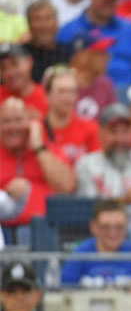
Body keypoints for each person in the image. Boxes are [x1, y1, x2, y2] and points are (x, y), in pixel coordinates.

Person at [0, 97, 75, 228]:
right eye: (6, 121)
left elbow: (67, 187)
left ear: (31, 123)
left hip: (45, 229)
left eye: (18, 120)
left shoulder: (48, 150)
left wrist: (38, 147)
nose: (13, 127)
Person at [60, 199, 131, 288]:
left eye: (119, 227)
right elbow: (65, 291)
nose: (113, 233)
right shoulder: (81, 254)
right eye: (105, 227)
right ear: (93, 226)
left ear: (127, 226)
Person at [40, 66, 100, 165]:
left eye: (72, 91)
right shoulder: (36, 129)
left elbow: (96, 168)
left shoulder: (90, 128)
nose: (68, 98)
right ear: (47, 95)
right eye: (62, 92)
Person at [68, 28, 117, 121]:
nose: (107, 57)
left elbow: (112, 122)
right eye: (100, 53)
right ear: (81, 57)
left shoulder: (105, 84)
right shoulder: (60, 84)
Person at [23, 0, 71, 84]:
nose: (43, 25)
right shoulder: (20, 55)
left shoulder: (67, 53)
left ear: (57, 23)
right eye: (37, 19)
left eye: (48, 18)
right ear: (29, 24)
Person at [0, 43, 47, 117]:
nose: (10, 72)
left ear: (29, 61)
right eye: (3, 68)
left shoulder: (47, 97)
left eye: (15, 64)